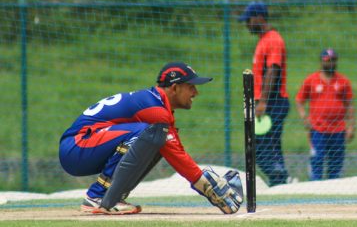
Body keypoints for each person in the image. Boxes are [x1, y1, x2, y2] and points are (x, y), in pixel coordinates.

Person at [59, 62, 243, 215]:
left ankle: (113, 197)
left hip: (85, 147)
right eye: (191, 87)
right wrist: (207, 187)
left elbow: (173, 148)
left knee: (155, 138)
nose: (196, 92)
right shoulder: (154, 110)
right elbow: (176, 154)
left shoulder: (157, 104)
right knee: (146, 132)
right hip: (76, 147)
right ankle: (97, 196)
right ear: (175, 87)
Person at [239, 1, 291, 186]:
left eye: (249, 20)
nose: (247, 24)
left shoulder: (273, 40)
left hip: (273, 102)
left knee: (258, 148)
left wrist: (263, 102)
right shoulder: (264, 41)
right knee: (271, 147)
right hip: (268, 102)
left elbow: (273, 70)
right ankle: (280, 184)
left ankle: (282, 178)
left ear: (260, 18)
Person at [295, 48, 356, 180]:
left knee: (336, 164)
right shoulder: (311, 80)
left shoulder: (343, 81)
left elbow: (349, 104)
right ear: (322, 62)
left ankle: (332, 192)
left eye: (333, 60)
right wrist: (304, 118)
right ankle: (315, 189)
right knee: (317, 160)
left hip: (338, 130)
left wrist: (351, 126)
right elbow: (299, 100)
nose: (331, 64)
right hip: (318, 130)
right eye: (328, 61)